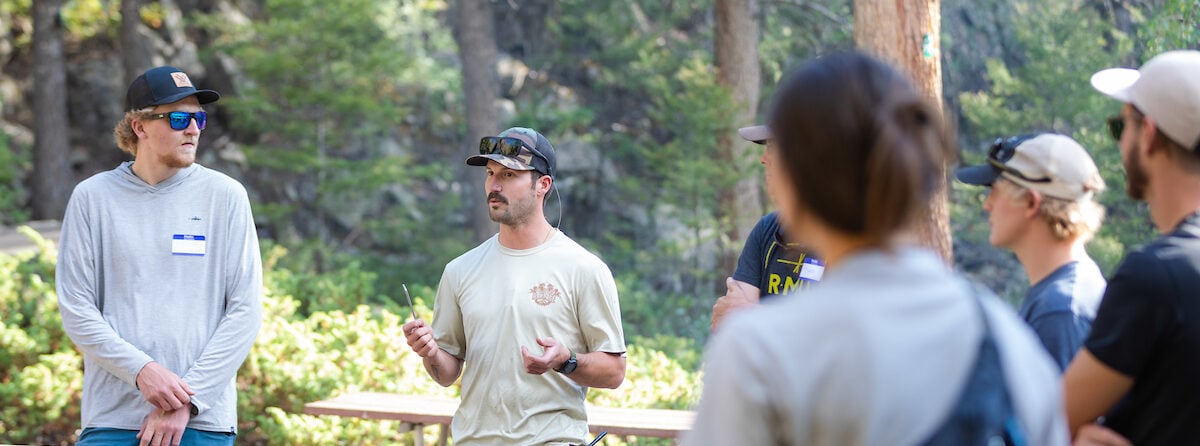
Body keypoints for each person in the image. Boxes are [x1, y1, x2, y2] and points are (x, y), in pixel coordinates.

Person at [682, 51, 1066, 446]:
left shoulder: (759, 353)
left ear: (801, 177)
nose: (764, 159)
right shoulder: (1008, 340)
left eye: (777, 152)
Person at [56, 66, 263, 446]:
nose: (194, 129)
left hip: (203, 422)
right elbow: (77, 309)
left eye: (198, 118)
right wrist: (143, 371)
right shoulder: (92, 198)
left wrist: (188, 400)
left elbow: (245, 311)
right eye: (179, 118)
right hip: (113, 420)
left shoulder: (226, 196)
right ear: (140, 127)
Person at [402, 127, 626, 445]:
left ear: (543, 185)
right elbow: (446, 373)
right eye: (491, 173)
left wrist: (566, 360)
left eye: (509, 174)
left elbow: (614, 372)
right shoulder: (460, 270)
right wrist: (431, 352)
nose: (494, 185)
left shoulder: (583, 268)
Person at [1063, 49, 1200, 444]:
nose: (1120, 142)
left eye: (1120, 126)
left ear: (1151, 135)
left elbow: (1048, 424)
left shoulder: (1157, 275)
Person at [955, 133, 1107, 371]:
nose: (987, 204)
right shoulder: (1063, 295)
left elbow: (1057, 409)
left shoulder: (1060, 311)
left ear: (1031, 203)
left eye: (994, 190)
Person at [710, 125, 824, 332]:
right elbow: (729, 327)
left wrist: (749, 311)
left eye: (773, 146)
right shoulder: (767, 229)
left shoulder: (853, 238)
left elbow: (838, 334)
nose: (763, 159)